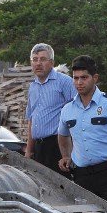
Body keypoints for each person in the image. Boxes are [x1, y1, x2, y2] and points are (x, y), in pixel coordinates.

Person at [57, 55, 107, 211]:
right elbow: (63, 134)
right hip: (82, 176)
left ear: (95, 78)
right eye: (75, 78)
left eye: (84, 77)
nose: (79, 82)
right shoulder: (67, 109)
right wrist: (66, 155)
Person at [25, 43, 76, 173]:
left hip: (57, 146)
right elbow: (31, 119)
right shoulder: (33, 87)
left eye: (43, 59)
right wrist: (29, 150)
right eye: (35, 60)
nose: (38, 63)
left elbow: (77, 113)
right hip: (38, 147)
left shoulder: (65, 82)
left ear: (52, 62)